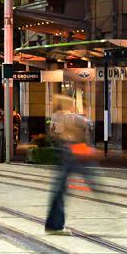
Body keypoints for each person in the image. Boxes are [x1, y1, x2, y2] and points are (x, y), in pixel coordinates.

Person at [45, 96, 93, 235]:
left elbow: (51, 128)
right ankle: (55, 226)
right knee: (61, 188)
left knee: (59, 188)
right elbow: (88, 123)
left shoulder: (56, 116)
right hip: (71, 151)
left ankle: (53, 225)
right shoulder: (72, 117)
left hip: (62, 148)